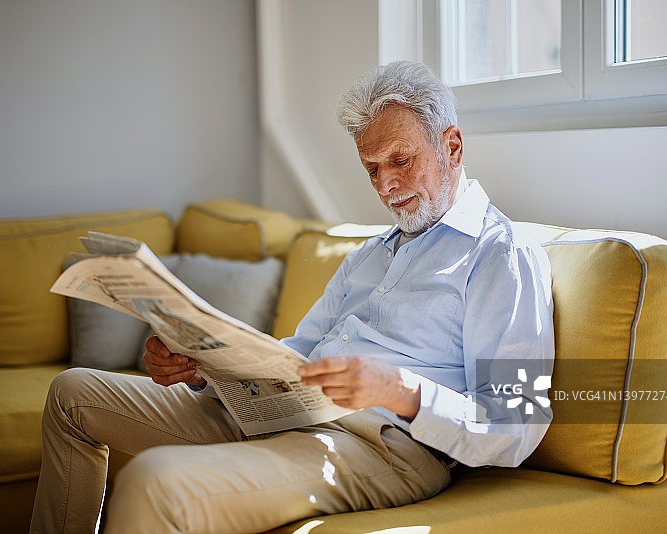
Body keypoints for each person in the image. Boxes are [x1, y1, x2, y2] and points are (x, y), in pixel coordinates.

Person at [30, 60, 554, 534]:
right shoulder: (368, 256)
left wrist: (399, 389)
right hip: (281, 412)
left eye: (400, 159)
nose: (386, 185)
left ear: (452, 146)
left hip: (378, 445)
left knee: (155, 481)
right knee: (72, 394)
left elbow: (516, 422)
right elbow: (297, 355)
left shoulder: (501, 254)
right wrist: (205, 367)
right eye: (372, 168)